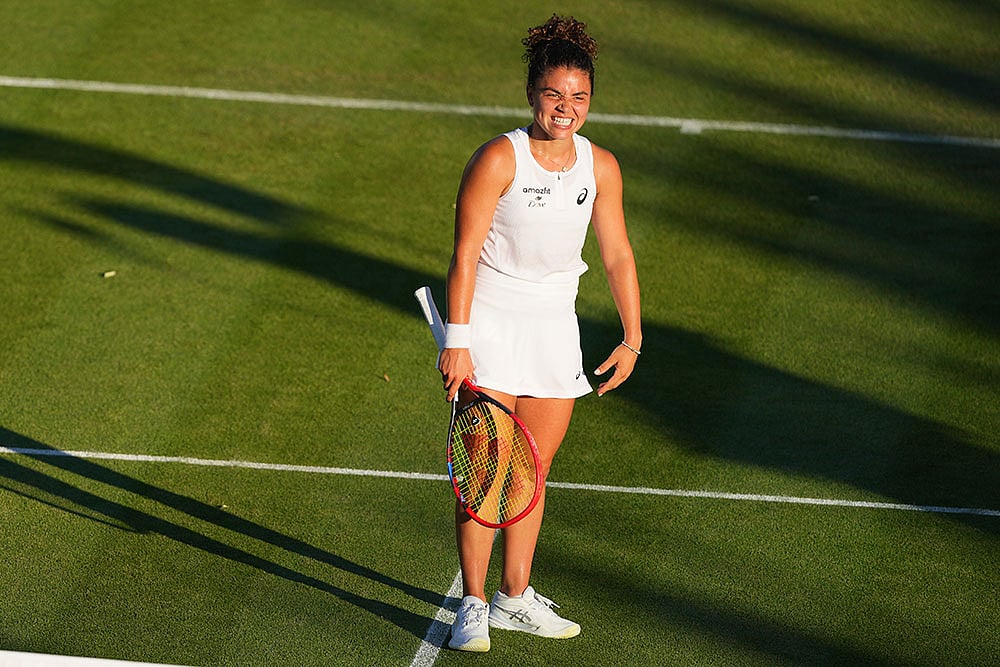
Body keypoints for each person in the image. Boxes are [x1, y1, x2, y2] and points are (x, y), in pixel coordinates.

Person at [438, 14, 642, 653]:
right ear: (533, 94)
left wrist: (631, 338)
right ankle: (473, 603)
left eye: (579, 98)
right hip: (492, 325)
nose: (566, 109)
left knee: (534, 466)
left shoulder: (600, 167)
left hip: (556, 329)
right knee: (488, 469)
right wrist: (458, 338)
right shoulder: (500, 156)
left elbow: (617, 256)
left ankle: (515, 596)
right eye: (555, 95)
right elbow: (466, 250)